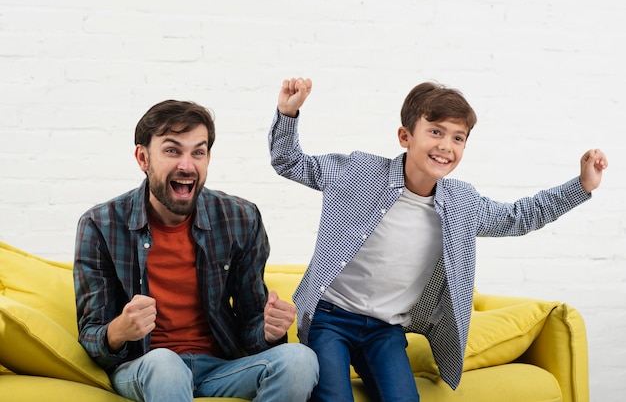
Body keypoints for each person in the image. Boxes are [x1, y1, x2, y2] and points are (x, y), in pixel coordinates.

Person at [268, 77, 608, 402]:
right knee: (334, 397)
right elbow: (290, 162)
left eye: (458, 138)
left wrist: (580, 186)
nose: (446, 146)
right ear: (405, 136)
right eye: (435, 132)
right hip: (331, 317)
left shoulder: (461, 203)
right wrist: (288, 113)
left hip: (385, 330)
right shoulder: (359, 172)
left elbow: (518, 217)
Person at [74, 99, 319, 402]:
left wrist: (269, 331)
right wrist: (119, 331)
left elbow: (250, 324)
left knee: (300, 360)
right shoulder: (101, 224)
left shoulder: (240, 218)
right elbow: (91, 335)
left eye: (198, 152)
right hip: (145, 366)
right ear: (143, 157)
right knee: (165, 364)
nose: (187, 165)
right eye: (172, 150)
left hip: (219, 368)